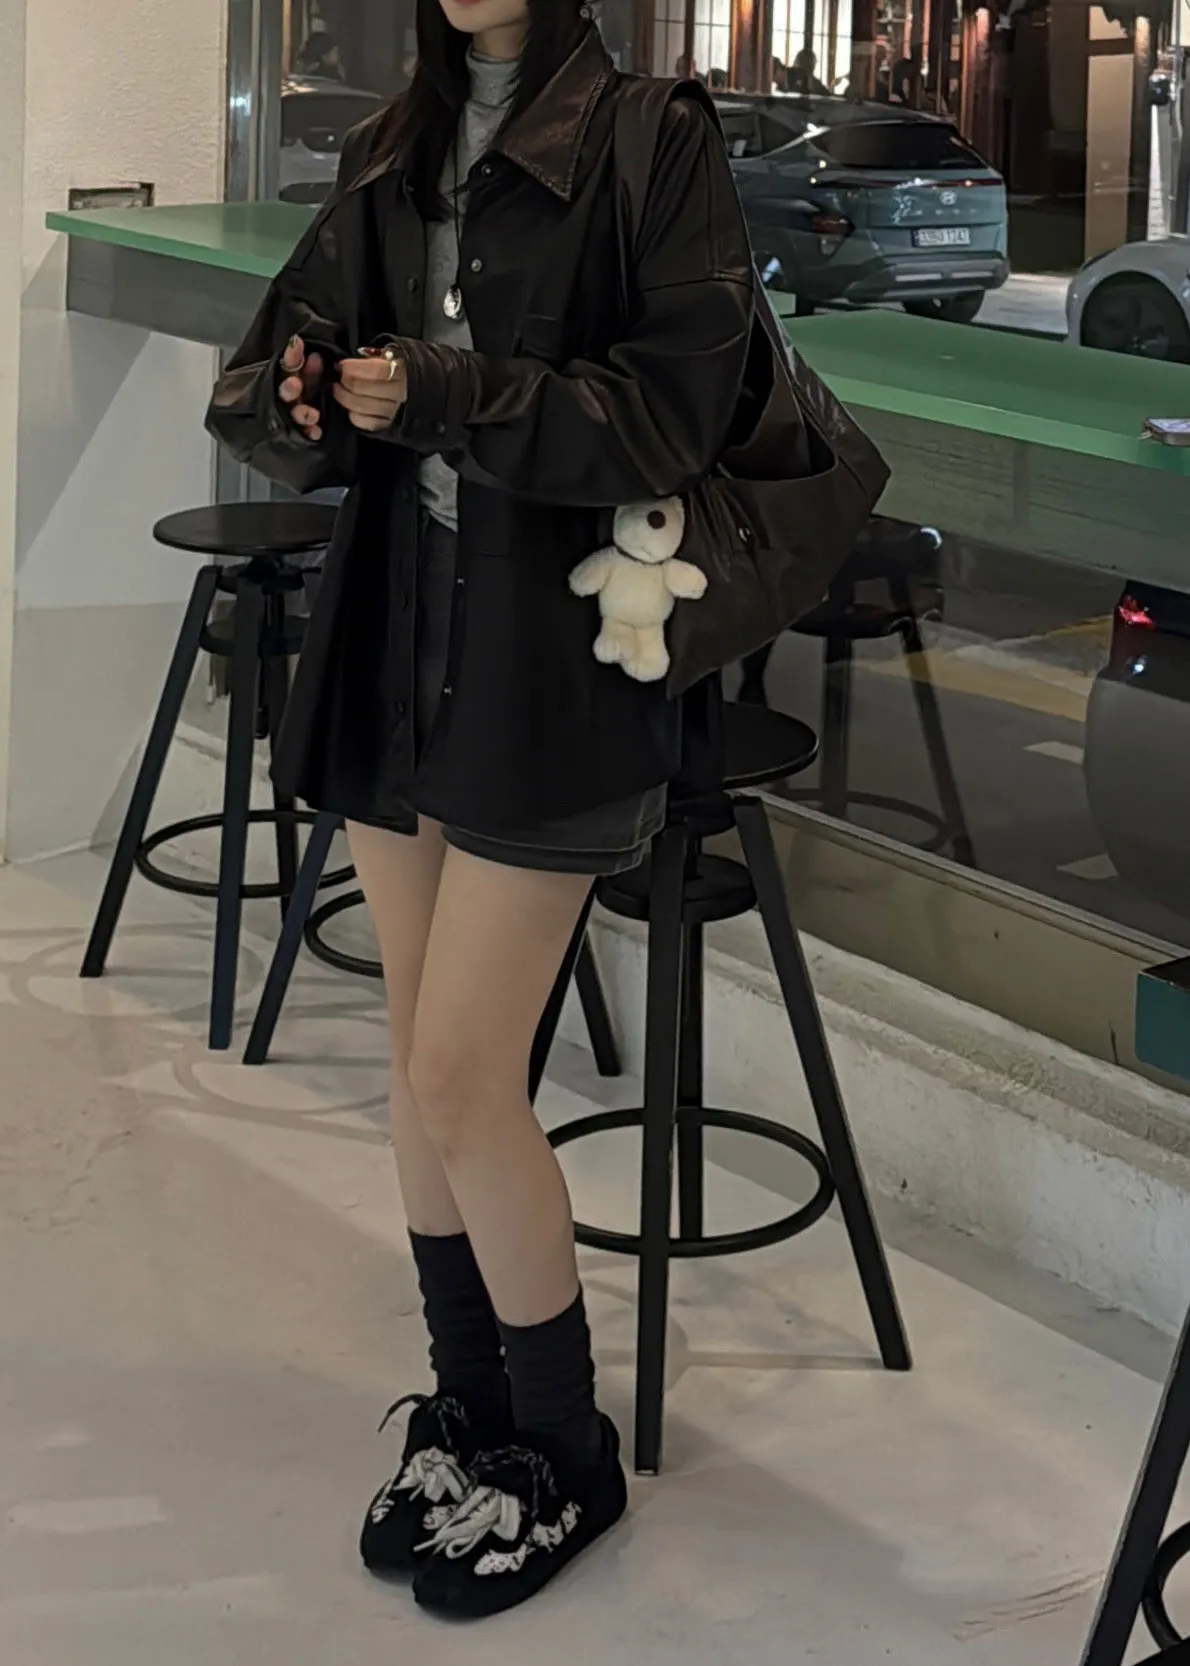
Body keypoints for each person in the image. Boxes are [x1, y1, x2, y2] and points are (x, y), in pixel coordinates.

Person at [207, 0, 752, 1624]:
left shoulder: (651, 139)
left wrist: (444, 391)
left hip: (551, 667)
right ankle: (469, 1413)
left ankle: (564, 1447)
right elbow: (261, 372)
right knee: (415, 1062)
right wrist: (300, 397)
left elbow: (669, 416)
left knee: (459, 1068)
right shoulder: (393, 146)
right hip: (396, 639)